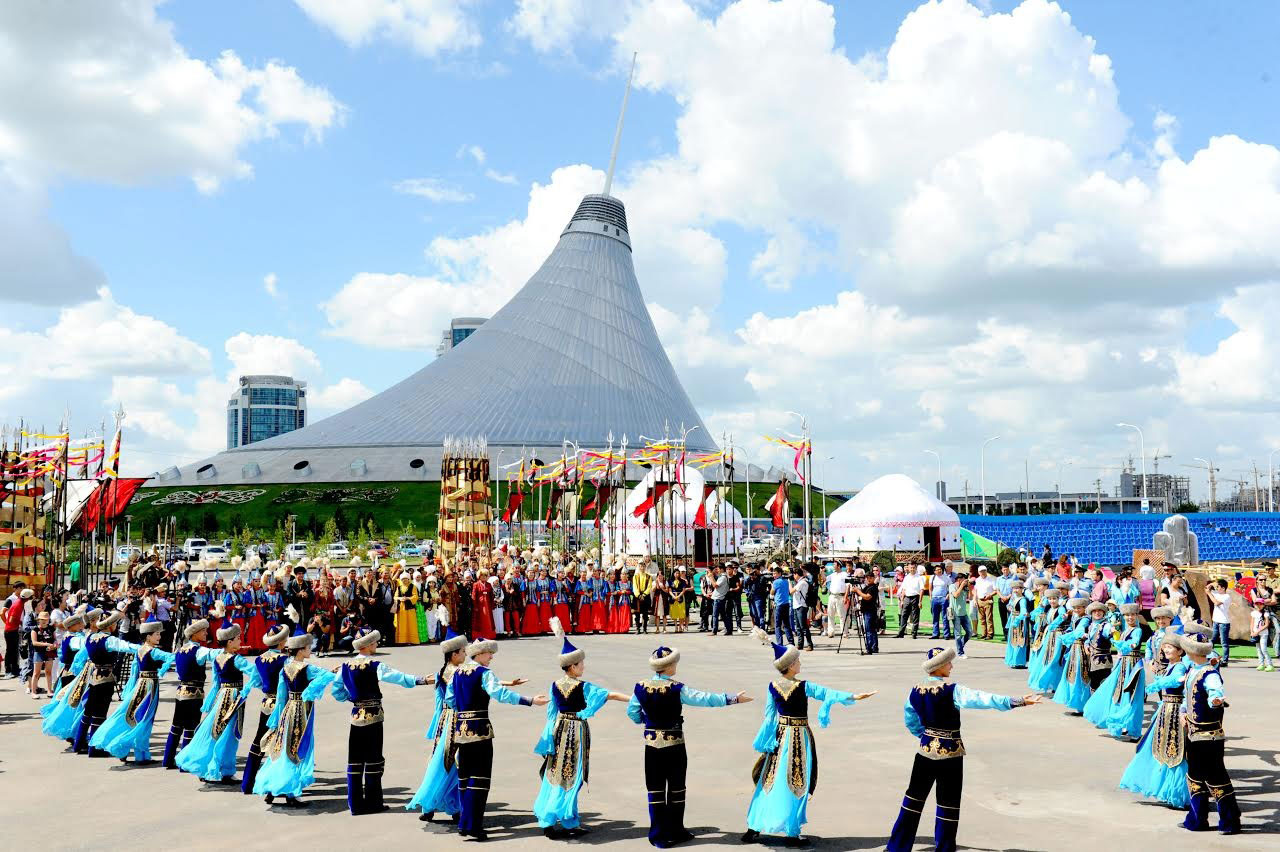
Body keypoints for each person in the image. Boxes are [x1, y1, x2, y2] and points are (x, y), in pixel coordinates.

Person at [886, 647, 1041, 852]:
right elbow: (982, 699)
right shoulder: (952, 690)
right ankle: (944, 849)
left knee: (912, 800)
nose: (952, 665)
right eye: (949, 662)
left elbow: (910, 720)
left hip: (924, 752)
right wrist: (1017, 701)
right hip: (950, 754)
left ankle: (896, 848)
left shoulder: (915, 690)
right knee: (947, 804)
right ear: (940, 667)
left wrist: (925, 737)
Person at [741, 629, 872, 844]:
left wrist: (766, 741)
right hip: (799, 738)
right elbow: (827, 693)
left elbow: (768, 717)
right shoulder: (804, 686)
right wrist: (853, 696)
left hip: (780, 737)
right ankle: (792, 833)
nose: (800, 663)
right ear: (791, 665)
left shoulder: (772, 686)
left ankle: (753, 826)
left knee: (770, 780)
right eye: (797, 660)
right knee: (797, 780)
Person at [627, 644, 751, 848]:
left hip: (651, 744)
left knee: (655, 790)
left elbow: (632, 711)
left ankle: (658, 835)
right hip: (674, 744)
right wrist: (732, 698)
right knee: (677, 788)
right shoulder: (676, 687)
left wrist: (645, 721)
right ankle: (675, 830)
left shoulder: (640, 687)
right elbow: (703, 699)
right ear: (668, 667)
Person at [533, 618, 629, 838]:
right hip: (575, 731)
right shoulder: (583, 687)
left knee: (555, 773)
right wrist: (635, 699)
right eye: (581, 664)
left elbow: (551, 713)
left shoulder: (554, 685)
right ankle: (565, 819)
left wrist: (548, 737)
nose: (584, 667)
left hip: (559, 730)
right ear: (572, 666)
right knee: (572, 776)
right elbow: (610, 694)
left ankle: (551, 820)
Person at [450, 637, 548, 840]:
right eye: (488, 653)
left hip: (461, 730)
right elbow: (499, 694)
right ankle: (473, 826)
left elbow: (449, 699)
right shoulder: (484, 673)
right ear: (478, 654)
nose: (491, 657)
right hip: (479, 730)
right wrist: (529, 700)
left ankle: (464, 822)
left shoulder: (457, 672)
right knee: (480, 778)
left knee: (465, 777)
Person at [331, 627, 431, 815]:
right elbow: (398, 678)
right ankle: (373, 802)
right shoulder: (375, 666)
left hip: (356, 716)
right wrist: (420, 680)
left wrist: (351, 698)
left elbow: (336, 690)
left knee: (355, 760)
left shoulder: (345, 667)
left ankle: (355, 804)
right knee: (373, 759)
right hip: (374, 716)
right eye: (375, 642)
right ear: (368, 645)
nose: (377, 644)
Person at [253, 629, 338, 807]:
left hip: (287, 710)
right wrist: (310, 691)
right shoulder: (307, 668)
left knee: (282, 749)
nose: (310, 650)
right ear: (300, 650)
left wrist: (277, 718)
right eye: (308, 647)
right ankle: (292, 793)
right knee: (297, 749)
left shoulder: (285, 668)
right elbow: (327, 676)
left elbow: (281, 695)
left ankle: (271, 789)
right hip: (301, 712)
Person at [175, 621, 261, 783]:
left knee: (214, 732)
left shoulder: (218, 658)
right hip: (234, 697)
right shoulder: (237, 659)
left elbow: (216, 683)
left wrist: (210, 702)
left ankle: (211, 767)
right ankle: (223, 770)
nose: (240, 641)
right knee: (229, 735)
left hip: (221, 696)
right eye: (237, 639)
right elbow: (255, 672)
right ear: (229, 642)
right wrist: (249, 688)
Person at [1177, 631, 1240, 834]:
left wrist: (1216, 700)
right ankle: (1197, 819)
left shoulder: (1210, 674)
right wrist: (1183, 712)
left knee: (1216, 777)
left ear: (1191, 651)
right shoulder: (1192, 670)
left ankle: (1230, 822)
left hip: (1209, 736)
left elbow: (1215, 692)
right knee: (1194, 776)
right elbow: (1188, 696)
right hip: (1193, 733)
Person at [1118, 632, 1190, 809]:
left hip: (1173, 712)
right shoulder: (1171, 666)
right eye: (1164, 647)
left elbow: (1174, 682)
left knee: (1174, 751)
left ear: (1180, 651)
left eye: (1170, 647)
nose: (1166, 650)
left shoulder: (1180, 667)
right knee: (1160, 749)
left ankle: (1177, 793)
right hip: (1165, 710)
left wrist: (1156, 684)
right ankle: (1167, 790)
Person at [89, 616, 174, 763]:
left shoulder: (141, 650)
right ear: (148, 636)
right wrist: (162, 670)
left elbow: (135, 670)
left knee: (136, 716)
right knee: (146, 718)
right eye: (157, 634)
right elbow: (171, 657)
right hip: (150, 686)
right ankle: (139, 754)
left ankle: (133, 752)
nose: (160, 636)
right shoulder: (153, 651)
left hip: (140, 684)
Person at [408, 626, 469, 824]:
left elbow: (438, 700)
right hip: (455, 719)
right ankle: (450, 806)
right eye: (463, 652)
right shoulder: (455, 673)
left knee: (441, 761)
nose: (465, 655)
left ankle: (433, 807)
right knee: (451, 763)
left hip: (445, 719)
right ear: (454, 654)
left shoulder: (442, 670)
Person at [72, 607, 138, 756]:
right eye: (115, 624)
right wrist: (143, 649)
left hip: (94, 676)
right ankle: (95, 748)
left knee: (88, 712)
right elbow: (127, 647)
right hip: (106, 678)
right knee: (99, 713)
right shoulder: (109, 640)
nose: (116, 626)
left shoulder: (90, 637)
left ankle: (79, 743)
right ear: (110, 625)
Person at [1083, 603, 1146, 741]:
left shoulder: (1137, 630)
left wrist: (1128, 645)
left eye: (1132, 615)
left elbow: (1134, 643)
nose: (1130, 617)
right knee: (1119, 694)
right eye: (1127, 615)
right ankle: (1124, 724)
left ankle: (1134, 730)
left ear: (1136, 616)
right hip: (1123, 664)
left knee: (1132, 696)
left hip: (1133, 665)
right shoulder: (1124, 631)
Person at [241, 623, 291, 795]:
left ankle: (247, 782)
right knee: (280, 743)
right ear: (281, 642)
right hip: (282, 705)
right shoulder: (285, 660)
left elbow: (255, 680)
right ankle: (278, 784)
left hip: (266, 703)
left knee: (258, 741)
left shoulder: (259, 659)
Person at [163, 616, 218, 769]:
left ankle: (168, 759)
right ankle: (184, 761)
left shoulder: (180, 649)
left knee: (176, 726)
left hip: (181, 691)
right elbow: (213, 654)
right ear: (195, 634)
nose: (206, 633)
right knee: (190, 727)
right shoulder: (198, 651)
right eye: (203, 631)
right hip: (194, 693)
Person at [40, 608, 94, 744]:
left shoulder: (69, 636)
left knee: (72, 703)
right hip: (73, 674)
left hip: (68, 671)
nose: (82, 625)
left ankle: (73, 732)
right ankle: (73, 732)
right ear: (73, 626)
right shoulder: (74, 639)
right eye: (79, 624)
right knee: (74, 703)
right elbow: (85, 647)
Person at [1050, 597, 1093, 714]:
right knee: (1072, 674)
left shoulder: (1085, 619)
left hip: (1081, 649)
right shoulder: (1076, 617)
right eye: (1075, 608)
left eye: (1079, 608)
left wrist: (1066, 636)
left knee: (1080, 675)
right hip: (1074, 648)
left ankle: (1082, 705)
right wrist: (1066, 632)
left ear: (1085, 608)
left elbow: (1079, 631)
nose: (1077, 610)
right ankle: (1078, 704)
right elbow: (1072, 628)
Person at [27, 610, 57, 698]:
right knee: (36, 673)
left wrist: (55, 644)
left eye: (46, 619)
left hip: (49, 652)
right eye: (42, 619)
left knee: (48, 672)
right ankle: (33, 692)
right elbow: (34, 642)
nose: (44, 621)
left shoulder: (51, 628)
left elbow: (55, 639)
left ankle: (49, 691)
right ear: (38, 620)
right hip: (39, 652)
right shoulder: (35, 630)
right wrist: (47, 644)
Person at [1002, 581, 1030, 668]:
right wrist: (1009, 607)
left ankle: (1018, 662)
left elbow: (1023, 610)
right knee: (1013, 641)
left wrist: (1019, 618)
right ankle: (1014, 661)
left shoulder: (1023, 600)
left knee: (1019, 640)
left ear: (1022, 589)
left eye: (1018, 588)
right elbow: (1009, 606)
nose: (1015, 590)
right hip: (1013, 620)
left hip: (1019, 622)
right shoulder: (1014, 598)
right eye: (1014, 588)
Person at [1208, 579, 1233, 666]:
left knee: (1224, 642)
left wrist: (1209, 593)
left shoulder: (1227, 597)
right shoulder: (1216, 593)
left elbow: (1216, 603)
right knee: (1212, 640)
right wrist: (1212, 584)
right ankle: (1210, 657)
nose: (1216, 588)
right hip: (1215, 621)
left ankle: (1225, 661)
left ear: (1223, 588)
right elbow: (1206, 588)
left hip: (1224, 622)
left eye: (1218, 587)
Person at [896, 564, 924, 639]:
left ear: (916, 568)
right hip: (907, 598)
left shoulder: (919, 577)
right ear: (908, 568)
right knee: (904, 615)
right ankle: (901, 633)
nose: (912, 569)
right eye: (911, 568)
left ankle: (914, 633)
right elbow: (904, 589)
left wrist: (920, 601)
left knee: (915, 616)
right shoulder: (907, 577)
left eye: (913, 568)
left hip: (915, 597)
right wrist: (902, 600)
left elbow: (922, 590)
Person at [791, 566, 815, 652]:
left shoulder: (803, 582)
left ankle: (810, 644)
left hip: (802, 606)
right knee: (798, 627)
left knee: (803, 626)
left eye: (794, 574)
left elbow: (791, 591)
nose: (793, 575)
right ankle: (800, 644)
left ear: (797, 574)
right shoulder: (799, 582)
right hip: (797, 606)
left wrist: (789, 583)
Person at [856, 570, 880, 653]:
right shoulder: (867, 587)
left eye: (870, 578)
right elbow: (862, 595)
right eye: (867, 578)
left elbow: (867, 597)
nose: (868, 579)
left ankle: (869, 648)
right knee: (872, 630)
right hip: (868, 610)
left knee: (869, 630)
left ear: (873, 578)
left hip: (870, 611)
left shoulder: (873, 587)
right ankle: (874, 647)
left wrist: (857, 591)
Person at [949, 574, 972, 659]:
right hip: (955, 614)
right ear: (958, 580)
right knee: (958, 634)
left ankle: (960, 646)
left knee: (969, 632)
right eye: (963, 580)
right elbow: (955, 595)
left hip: (964, 613)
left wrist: (969, 587)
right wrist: (962, 586)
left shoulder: (965, 588)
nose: (965, 581)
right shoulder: (952, 586)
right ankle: (960, 653)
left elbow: (971, 598)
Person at [770, 565, 794, 646]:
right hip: (786, 604)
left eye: (775, 573)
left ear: (780, 573)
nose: (774, 575)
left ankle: (780, 643)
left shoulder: (776, 582)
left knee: (777, 625)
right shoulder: (786, 581)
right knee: (786, 624)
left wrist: (771, 585)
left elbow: (772, 593)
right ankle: (791, 642)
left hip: (779, 605)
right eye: (773, 574)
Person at [929, 564, 953, 640]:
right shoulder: (932, 578)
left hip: (943, 599)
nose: (939, 571)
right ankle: (935, 634)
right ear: (934, 571)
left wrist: (948, 595)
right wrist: (930, 597)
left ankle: (946, 634)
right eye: (937, 570)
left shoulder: (946, 578)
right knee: (935, 617)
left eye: (940, 569)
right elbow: (930, 588)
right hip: (934, 599)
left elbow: (951, 588)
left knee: (945, 617)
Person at [1251, 596, 1275, 671]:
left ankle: (1270, 665)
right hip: (1255, 634)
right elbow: (1251, 623)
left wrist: (1257, 631)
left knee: (1264, 649)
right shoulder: (1253, 613)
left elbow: (1266, 624)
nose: (1258, 605)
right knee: (1258, 649)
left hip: (1263, 634)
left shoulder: (1266, 613)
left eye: (1260, 604)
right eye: (1256, 604)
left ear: (1263, 605)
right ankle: (1261, 664)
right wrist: (1252, 632)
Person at [974, 566, 996, 640]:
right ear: (978, 572)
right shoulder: (977, 580)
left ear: (986, 571)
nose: (982, 572)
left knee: (988, 618)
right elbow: (976, 591)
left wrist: (990, 595)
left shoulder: (991, 579)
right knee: (982, 618)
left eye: (984, 571)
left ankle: (990, 634)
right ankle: (984, 633)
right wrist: (975, 600)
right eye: (981, 571)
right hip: (979, 600)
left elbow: (995, 590)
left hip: (988, 600)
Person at [633, 566, 654, 634]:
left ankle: (645, 628)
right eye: (641, 567)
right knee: (637, 613)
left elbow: (649, 587)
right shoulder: (635, 576)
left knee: (645, 613)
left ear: (645, 568)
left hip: (645, 596)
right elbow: (635, 586)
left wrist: (644, 595)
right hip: (637, 596)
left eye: (643, 567)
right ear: (639, 568)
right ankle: (637, 628)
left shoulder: (649, 577)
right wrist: (638, 595)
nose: (642, 568)